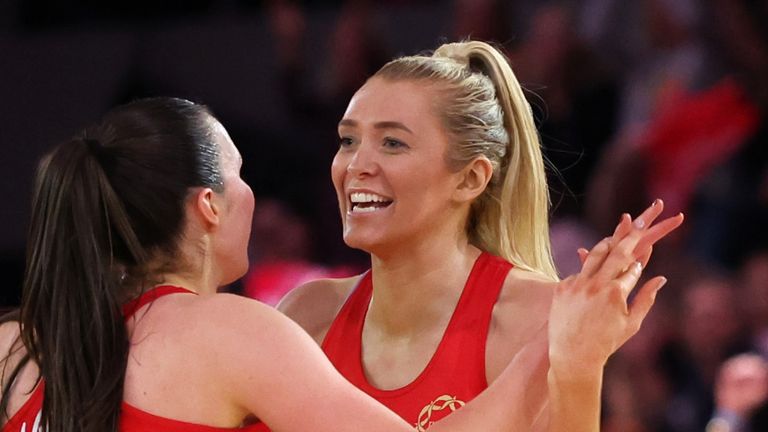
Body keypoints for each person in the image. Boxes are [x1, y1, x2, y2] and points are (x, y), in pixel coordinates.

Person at [0, 96, 675, 432]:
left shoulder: (12, 347)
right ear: (208, 205)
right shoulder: (226, 331)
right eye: (240, 175)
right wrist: (559, 345)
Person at [278, 40, 684, 431]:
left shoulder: (537, 317)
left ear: (471, 178)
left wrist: (577, 368)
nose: (356, 164)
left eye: (392, 143)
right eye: (348, 140)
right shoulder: (305, 317)